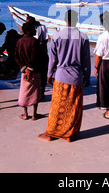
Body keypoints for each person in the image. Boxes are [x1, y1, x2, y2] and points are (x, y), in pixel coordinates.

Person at [38, 10, 91, 142]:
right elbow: (86, 61)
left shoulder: (56, 36)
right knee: (73, 106)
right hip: (76, 76)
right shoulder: (83, 37)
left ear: (64, 20)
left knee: (57, 106)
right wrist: (87, 76)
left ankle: (51, 133)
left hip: (61, 76)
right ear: (76, 20)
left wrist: (49, 74)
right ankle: (70, 134)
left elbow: (53, 59)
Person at [15, 22, 43, 120]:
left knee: (24, 92)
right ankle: (35, 114)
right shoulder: (34, 41)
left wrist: (24, 68)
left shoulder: (19, 41)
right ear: (28, 31)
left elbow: (17, 57)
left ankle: (25, 114)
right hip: (34, 70)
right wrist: (30, 69)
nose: (35, 30)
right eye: (33, 29)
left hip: (24, 71)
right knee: (35, 92)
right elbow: (35, 56)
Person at [26, 15, 49, 99]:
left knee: (42, 73)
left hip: (41, 53)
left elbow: (45, 40)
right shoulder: (28, 28)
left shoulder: (41, 27)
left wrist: (38, 47)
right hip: (34, 54)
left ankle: (41, 92)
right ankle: (34, 93)